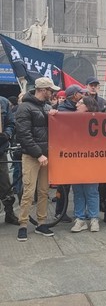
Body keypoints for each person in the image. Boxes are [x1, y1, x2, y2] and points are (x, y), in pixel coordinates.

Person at [15, 77, 60, 241]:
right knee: (28, 191)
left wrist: (54, 115)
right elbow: (23, 134)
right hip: (33, 156)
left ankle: (41, 222)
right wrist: (38, 154)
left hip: (45, 155)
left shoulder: (47, 107)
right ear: (43, 90)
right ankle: (23, 224)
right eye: (50, 90)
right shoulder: (24, 108)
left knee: (43, 191)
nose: (52, 93)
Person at [54, 84, 87, 223]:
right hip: (65, 152)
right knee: (64, 185)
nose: (83, 95)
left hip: (76, 151)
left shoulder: (73, 107)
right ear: (74, 95)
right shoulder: (63, 110)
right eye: (81, 93)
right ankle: (59, 212)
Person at [71, 96, 100, 232]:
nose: (77, 105)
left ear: (88, 106)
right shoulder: (71, 119)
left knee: (91, 191)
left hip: (92, 161)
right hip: (75, 160)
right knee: (78, 191)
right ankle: (80, 219)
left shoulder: (98, 121)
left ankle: (94, 218)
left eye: (80, 103)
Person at [0, 96, 19, 225]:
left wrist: (6, 135)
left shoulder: (3, 102)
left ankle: (9, 213)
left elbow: (11, 123)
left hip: (0, 150)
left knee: (5, 183)